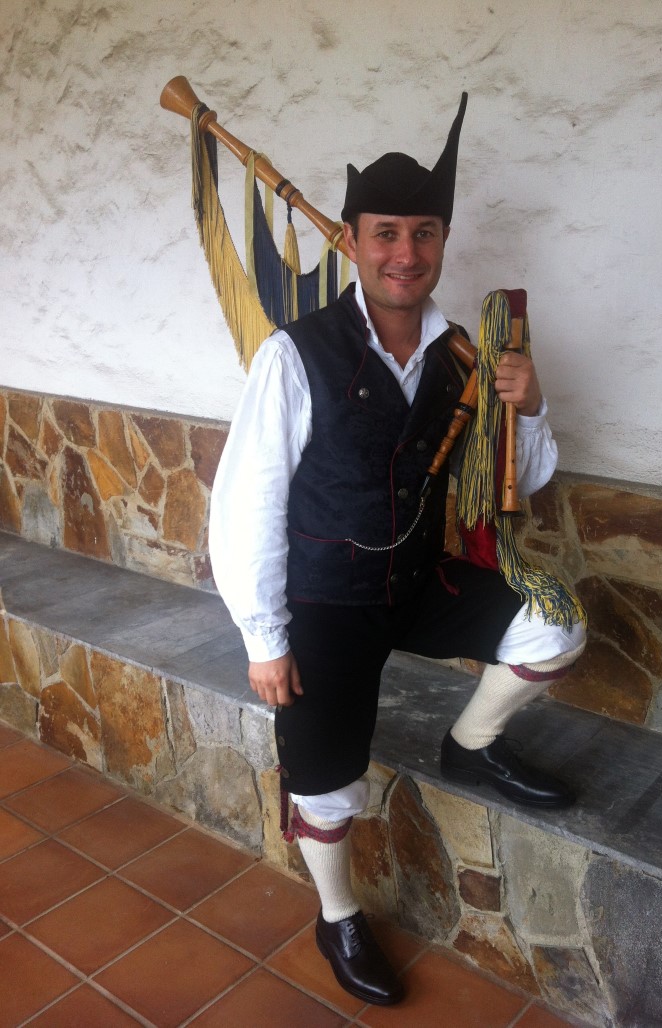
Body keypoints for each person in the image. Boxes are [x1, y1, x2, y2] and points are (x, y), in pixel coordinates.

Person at [209, 93, 586, 1007]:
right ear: (352, 241)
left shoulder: (464, 356)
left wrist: (531, 405)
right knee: (325, 782)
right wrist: (265, 637)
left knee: (556, 627)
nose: (404, 253)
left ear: (442, 242)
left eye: (423, 233)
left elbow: (524, 477)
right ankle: (337, 915)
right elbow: (246, 501)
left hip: (415, 581)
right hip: (326, 601)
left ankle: (471, 744)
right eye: (385, 234)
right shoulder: (295, 355)